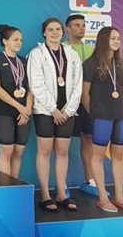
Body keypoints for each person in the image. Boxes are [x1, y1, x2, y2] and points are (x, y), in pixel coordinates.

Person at [27, 18, 82, 212]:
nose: (55, 32)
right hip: (45, 110)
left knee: (62, 151)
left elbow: (78, 84)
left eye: (58, 29)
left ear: (62, 32)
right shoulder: (36, 54)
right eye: (50, 29)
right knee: (45, 151)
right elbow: (36, 85)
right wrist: (53, 109)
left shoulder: (72, 54)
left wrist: (67, 110)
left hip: (67, 112)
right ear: (44, 33)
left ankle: (61, 194)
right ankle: (45, 194)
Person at [81, 26, 123, 213]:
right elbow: (85, 94)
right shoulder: (90, 64)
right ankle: (103, 198)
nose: (116, 41)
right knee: (98, 156)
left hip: (121, 115)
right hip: (101, 116)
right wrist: (94, 113)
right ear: (103, 40)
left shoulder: (122, 62)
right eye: (113, 38)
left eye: (118, 38)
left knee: (118, 156)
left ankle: (119, 197)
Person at [0, 24, 33, 178]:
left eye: (21, 40)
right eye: (15, 39)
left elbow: (31, 88)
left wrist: (27, 109)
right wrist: (20, 107)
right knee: (7, 151)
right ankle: (5, 188)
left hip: (24, 113)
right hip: (4, 111)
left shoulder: (24, 61)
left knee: (19, 151)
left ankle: (15, 185)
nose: (19, 43)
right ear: (5, 41)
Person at [65, 14, 99, 196]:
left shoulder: (92, 50)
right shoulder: (61, 48)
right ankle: (62, 183)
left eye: (83, 25)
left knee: (88, 139)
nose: (81, 28)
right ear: (68, 28)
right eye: (77, 25)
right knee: (63, 143)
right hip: (67, 102)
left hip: (87, 100)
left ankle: (90, 181)